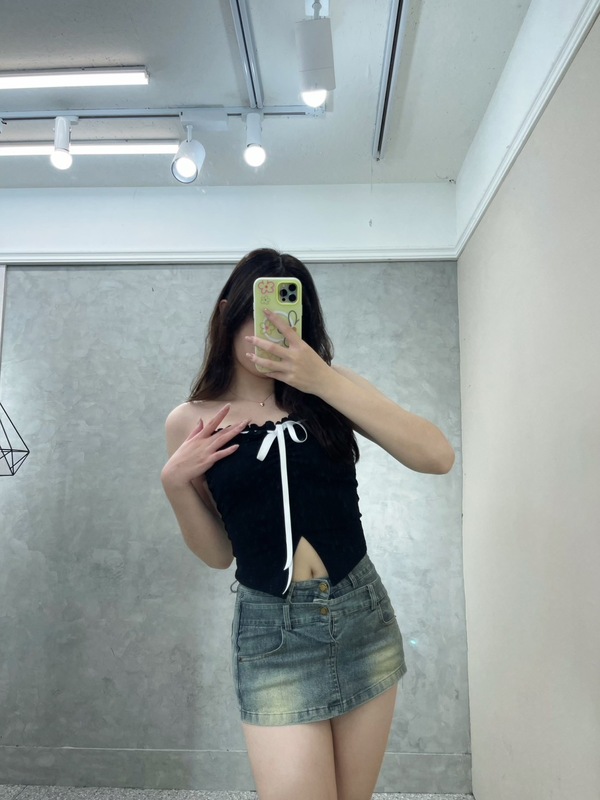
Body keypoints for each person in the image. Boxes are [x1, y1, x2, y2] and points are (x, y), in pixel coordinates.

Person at [160, 248, 455, 800]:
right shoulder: (192, 420)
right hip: (272, 635)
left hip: (363, 617)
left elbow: (437, 456)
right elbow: (219, 555)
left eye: (286, 313)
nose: (270, 328)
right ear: (228, 313)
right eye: (257, 313)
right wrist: (175, 484)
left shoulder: (331, 388)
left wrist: (323, 380)